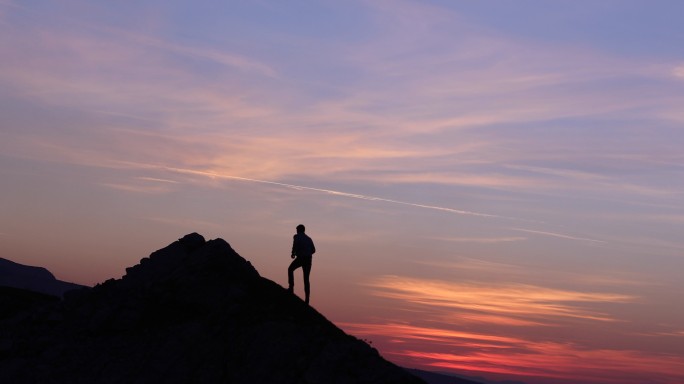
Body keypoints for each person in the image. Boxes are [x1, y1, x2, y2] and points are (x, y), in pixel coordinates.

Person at [287, 224, 316, 304]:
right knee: (306, 279)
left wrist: (294, 253)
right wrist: (307, 252)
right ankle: (307, 299)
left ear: (299, 230)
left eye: (296, 229)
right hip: (308, 259)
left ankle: (291, 288)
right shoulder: (309, 239)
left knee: (290, 269)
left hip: (301, 258)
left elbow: (294, 246)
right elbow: (313, 250)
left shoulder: (296, 237)